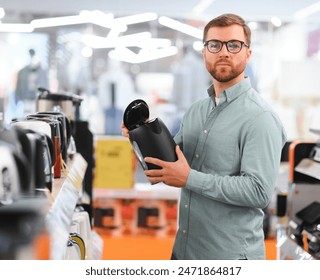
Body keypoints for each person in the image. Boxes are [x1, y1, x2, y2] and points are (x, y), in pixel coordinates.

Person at [121, 13, 287, 260]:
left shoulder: (260, 118)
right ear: (205, 52)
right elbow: (168, 166)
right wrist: (140, 137)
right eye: (214, 44)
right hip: (185, 252)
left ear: (247, 53)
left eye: (233, 45)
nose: (224, 52)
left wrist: (190, 179)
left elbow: (258, 192)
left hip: (229, 259)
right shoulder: (197, 111)